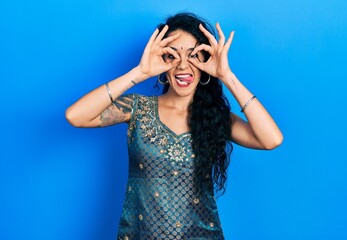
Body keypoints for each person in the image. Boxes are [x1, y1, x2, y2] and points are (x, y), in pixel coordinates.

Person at [66, 12, 283, 240]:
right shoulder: (137, 108)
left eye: (193, 56)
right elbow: (75, 116)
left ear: (206, 60)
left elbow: (271, 139)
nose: (182, 66)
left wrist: (227, 76)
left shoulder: (216, 118)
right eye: (173, 56)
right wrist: (139, 73)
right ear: (162, 59)